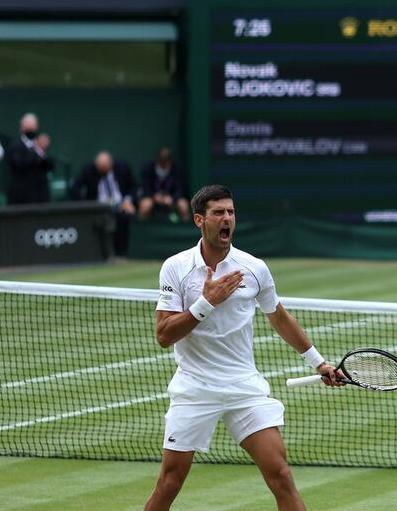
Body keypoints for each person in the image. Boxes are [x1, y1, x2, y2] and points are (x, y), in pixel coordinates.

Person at [145, 185, 343, 511]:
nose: (227, 219)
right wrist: (206, 303)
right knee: (169, 483)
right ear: (199, 220)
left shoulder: (254, 268)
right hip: (195, 388)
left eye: (231, 212)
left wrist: (319, 363)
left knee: (281, 475)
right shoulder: (175, 267)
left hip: (243, 388)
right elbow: (164, 335)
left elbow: (278, 317)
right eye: (218, 213)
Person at [70, 151, 137, 258]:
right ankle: (105, 255)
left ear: (111, 164)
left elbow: (133, 187)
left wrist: (127, 201)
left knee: (125, 217)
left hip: (121, 204)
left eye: (104, 168)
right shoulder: (89, 170)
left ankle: (123, 254)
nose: (102, 170)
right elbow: (74, 189)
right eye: (99, 168)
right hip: (99, 208)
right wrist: (88, 205)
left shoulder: (122, 168)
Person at [7, 113, 54, 205]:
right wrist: (37, 149)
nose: (31, 130)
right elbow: (20, 164)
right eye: (28, 127)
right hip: (21, 200)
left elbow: (49, 165)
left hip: (40, 199)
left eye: (33, 127)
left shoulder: (40, 147)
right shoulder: (14, 147)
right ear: (22, 128)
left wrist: (40, 151)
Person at [139, 147, 190, 222]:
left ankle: (185, 230)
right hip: (152, 197)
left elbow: (181, 188)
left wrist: (172, 198)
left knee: (183, 205)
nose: (163, 167)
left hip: (172, 198)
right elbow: (145, 187)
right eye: (161, 164)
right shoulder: (147, 168)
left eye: (166, 164)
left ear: (170, 162)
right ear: (157, 161)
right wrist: (154, 196)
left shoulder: (177, 169)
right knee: (145, 205)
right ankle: (141, 231)